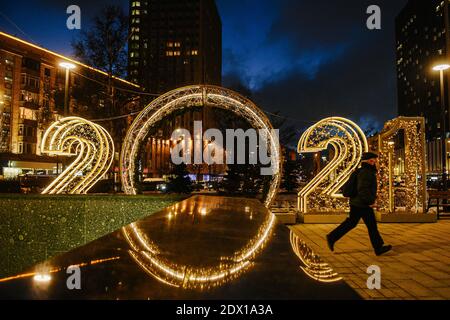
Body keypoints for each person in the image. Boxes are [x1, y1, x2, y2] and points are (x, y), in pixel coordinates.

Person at [326, 152, 392, 256]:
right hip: (362, 204)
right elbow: (363, 189)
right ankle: (378, 248)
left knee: (357, 224)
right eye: (375, 161)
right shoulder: (366, 172)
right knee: (369, 225)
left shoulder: (363, 171)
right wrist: (370, 201)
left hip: (358, 203)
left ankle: (332, 237)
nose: (377, 163)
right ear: (371, 161)